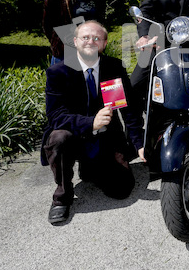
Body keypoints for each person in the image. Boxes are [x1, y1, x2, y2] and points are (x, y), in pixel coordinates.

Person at [42, 21, 145, 224]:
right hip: (72, 135)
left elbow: (129, 109)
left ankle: (91, 167)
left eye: (97, 38)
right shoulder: (58, 72)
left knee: (122, 189)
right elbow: (55, 116)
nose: (91, 41)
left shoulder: (113, 67)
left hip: (106, 136)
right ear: (75, 42)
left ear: (104, 43)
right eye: (85, 37)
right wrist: (91, 123)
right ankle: (62, 195)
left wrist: (139, 143)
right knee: (59, 138)